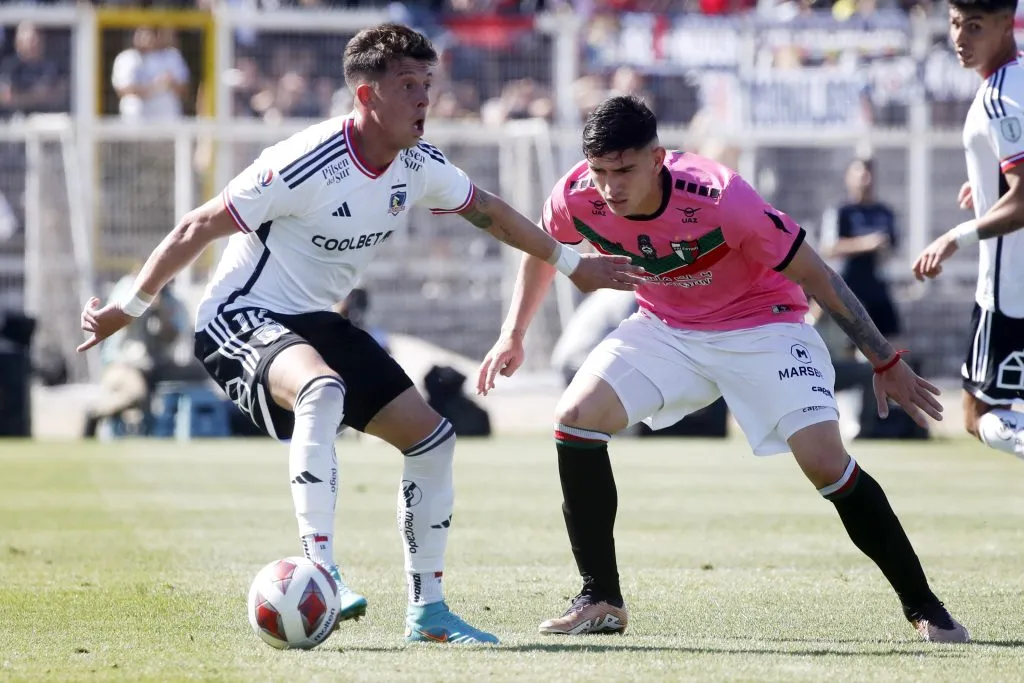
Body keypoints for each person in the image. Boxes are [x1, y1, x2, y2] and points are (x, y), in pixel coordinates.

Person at [77, 24, 643, 646]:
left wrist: (572, 264)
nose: (424, 99)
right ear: (367, 95)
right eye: (408, 86)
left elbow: (490, 211)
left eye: (428, 84)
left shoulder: (417, 164)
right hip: (238, 315)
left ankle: (428, 615)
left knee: (433, 440)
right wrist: (128, 307)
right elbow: (196, 227)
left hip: (316, 320)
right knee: (323, 391)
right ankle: (321, 570)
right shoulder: (303, 161)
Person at [477, 95, 968, 643]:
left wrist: (884, 359)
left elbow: (819, 275)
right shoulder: (575, 194)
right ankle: (600, 598)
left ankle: (927, 608)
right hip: (667, 327)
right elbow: (541, 251)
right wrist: (513, 333)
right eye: (600, 172)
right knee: (574, 417)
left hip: (765, 325)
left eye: (624, 170)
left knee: (825, 462)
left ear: (658, 158)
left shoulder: (722, 199)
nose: (610, 186)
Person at [912, 0, 1024, 460]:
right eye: (956, 24)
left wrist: (953, 237)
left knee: (978, 415)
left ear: (1006, 25)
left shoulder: (1000, 97)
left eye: (974, 26)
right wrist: (983, 185)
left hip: (1008, 294)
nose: (960, 38)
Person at [820, 157, 902, 347]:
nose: (866, 178)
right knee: (846, 344)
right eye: (860, 173)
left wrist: (883, 249)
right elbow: (829, 248)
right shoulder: (841, 211)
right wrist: (866, 243)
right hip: (846, 286)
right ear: (849, 177)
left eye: (869, 173)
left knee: (893, 342)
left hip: (876, 286)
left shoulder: (885, 212)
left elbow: (892, 248)